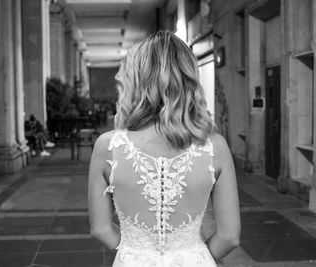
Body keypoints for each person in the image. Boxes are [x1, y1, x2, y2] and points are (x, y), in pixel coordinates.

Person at [88, 31, 240, 266]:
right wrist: (193, 256)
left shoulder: (108, 146)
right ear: (188, 79)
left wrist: (136, 253)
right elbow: (229, 237)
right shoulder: (214, 146)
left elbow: (100, 229)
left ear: (135, 80)